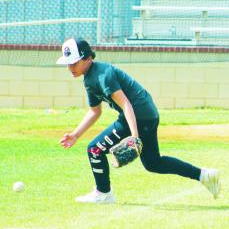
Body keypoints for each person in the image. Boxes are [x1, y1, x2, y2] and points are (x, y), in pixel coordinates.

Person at [57, 38, 220, 203]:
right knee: (153, 163)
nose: (70, 67)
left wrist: (134, 137)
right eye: (68, 63)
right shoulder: (89, 78)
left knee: (95, 149)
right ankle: (204, 175)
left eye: (74, 63)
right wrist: (76, 135)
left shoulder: (102, 75)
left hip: (139, 115)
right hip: (146, 115)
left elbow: (126, 104)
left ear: (88, 58)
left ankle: (104, 194)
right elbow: (95, 111)